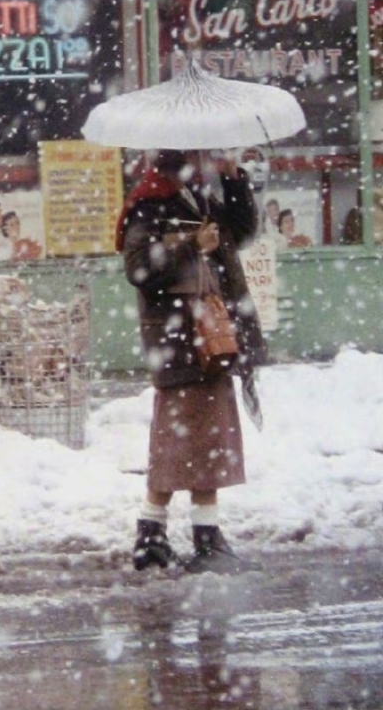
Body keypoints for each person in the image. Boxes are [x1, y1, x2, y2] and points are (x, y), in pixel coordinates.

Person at [117, 148, 265, 573]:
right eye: (203, 155)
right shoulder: (150, 202)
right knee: (187, 442)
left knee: (197, 441)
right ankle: (189, 538)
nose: (208, 162)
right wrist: (189, 244)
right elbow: (139, 267)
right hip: (181, 338)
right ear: (181, 158)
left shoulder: (193, 197)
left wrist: (235, 179)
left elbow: (238, 231)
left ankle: (167, 534)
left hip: (206, 336)